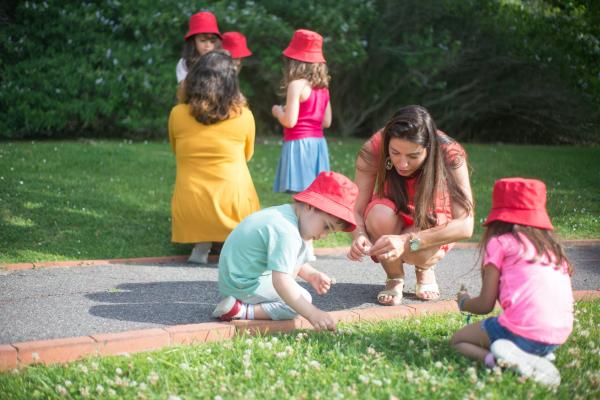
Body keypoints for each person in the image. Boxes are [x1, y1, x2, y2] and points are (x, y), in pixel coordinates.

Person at [451, 178, 573, 387]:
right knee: (517, 335)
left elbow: (485, 305)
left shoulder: (500, 243)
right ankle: (536, 355)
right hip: (556, 337)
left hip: (521, 332)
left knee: (458, 341)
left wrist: (463, 302)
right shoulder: (552, 249)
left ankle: (498, 363)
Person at [347, 105, 474, 305]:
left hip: (429, 223)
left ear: (429, 149)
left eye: (413, 156)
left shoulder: (450, 153)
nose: (402, 163)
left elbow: (466, 225)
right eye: (395, 153)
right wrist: (360, 236)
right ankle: (394, 276)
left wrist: (406, 241)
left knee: (420, 249)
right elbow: (355, 209)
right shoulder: (373, 148)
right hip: (392, 214)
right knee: (378, 215)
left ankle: (424, 268)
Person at [212, 171, 358, 332]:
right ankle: (240, 310)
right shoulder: (287, 232)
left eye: (330, 232)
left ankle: (241, 303)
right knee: (301, 300)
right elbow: (281, 281)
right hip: (243, 285)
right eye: (326, 227)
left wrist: (311, 275)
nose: (324, 235)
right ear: (311, 206)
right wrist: (313, 313)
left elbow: (286, 259)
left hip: (236, 278)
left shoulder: (286, 215)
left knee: (296, 290)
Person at [168, 50, 260, 264]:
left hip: (190, 207)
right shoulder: (244, 116)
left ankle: (201, 247)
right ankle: (231, 246)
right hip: (235, 207)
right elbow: (248, 154)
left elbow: (176, 151)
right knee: (237, 186)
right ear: (231, 82)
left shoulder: (177, 114)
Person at [271, 29, 332, 194]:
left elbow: (290, 121)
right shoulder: (323, 88)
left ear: (294, 61)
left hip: (299, 144)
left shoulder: (296, 85)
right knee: (314, 195)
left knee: (300, 196)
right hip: (318, 145)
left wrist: (278, 111)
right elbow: (326, 122)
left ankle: (301, 221)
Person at [176, 11, 222, 84]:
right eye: (203, 40)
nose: (208, 45)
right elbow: (182, 91)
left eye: (212, 41)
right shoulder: (184, 63)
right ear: (193, 42)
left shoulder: (222, 62)